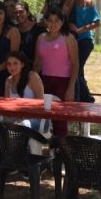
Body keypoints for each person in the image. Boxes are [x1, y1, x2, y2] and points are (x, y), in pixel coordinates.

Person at [34, 7, 78, 136]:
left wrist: (71, 87)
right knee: (43, 117)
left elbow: (75, 64)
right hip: (44, 82)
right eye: (50, 20)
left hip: (62, 83)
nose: (53, 24)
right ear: (46, 21)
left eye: (56, 21)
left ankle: (62, 152)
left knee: (60, 120)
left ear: (62, 21)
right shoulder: (40, 38)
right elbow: (37, 63)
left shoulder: (68, 38)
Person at [68, 0, 100, 102]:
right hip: (71, 40)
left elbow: (97, 23)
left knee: (77, 68)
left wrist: (79, 30)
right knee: (75, 70)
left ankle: (86, 98)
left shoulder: (88, 2)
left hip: (84, 41)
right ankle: (82, 98)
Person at [4, 51, 48, 134]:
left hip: (38, 119)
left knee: (22, 125)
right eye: (9, 64)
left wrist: (23, 114)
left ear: (22, 65)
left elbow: (41, 104)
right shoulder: (8, 81)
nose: (12, 67)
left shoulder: (33, 76)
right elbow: (6, 106)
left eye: (15, 63)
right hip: (17, 119)